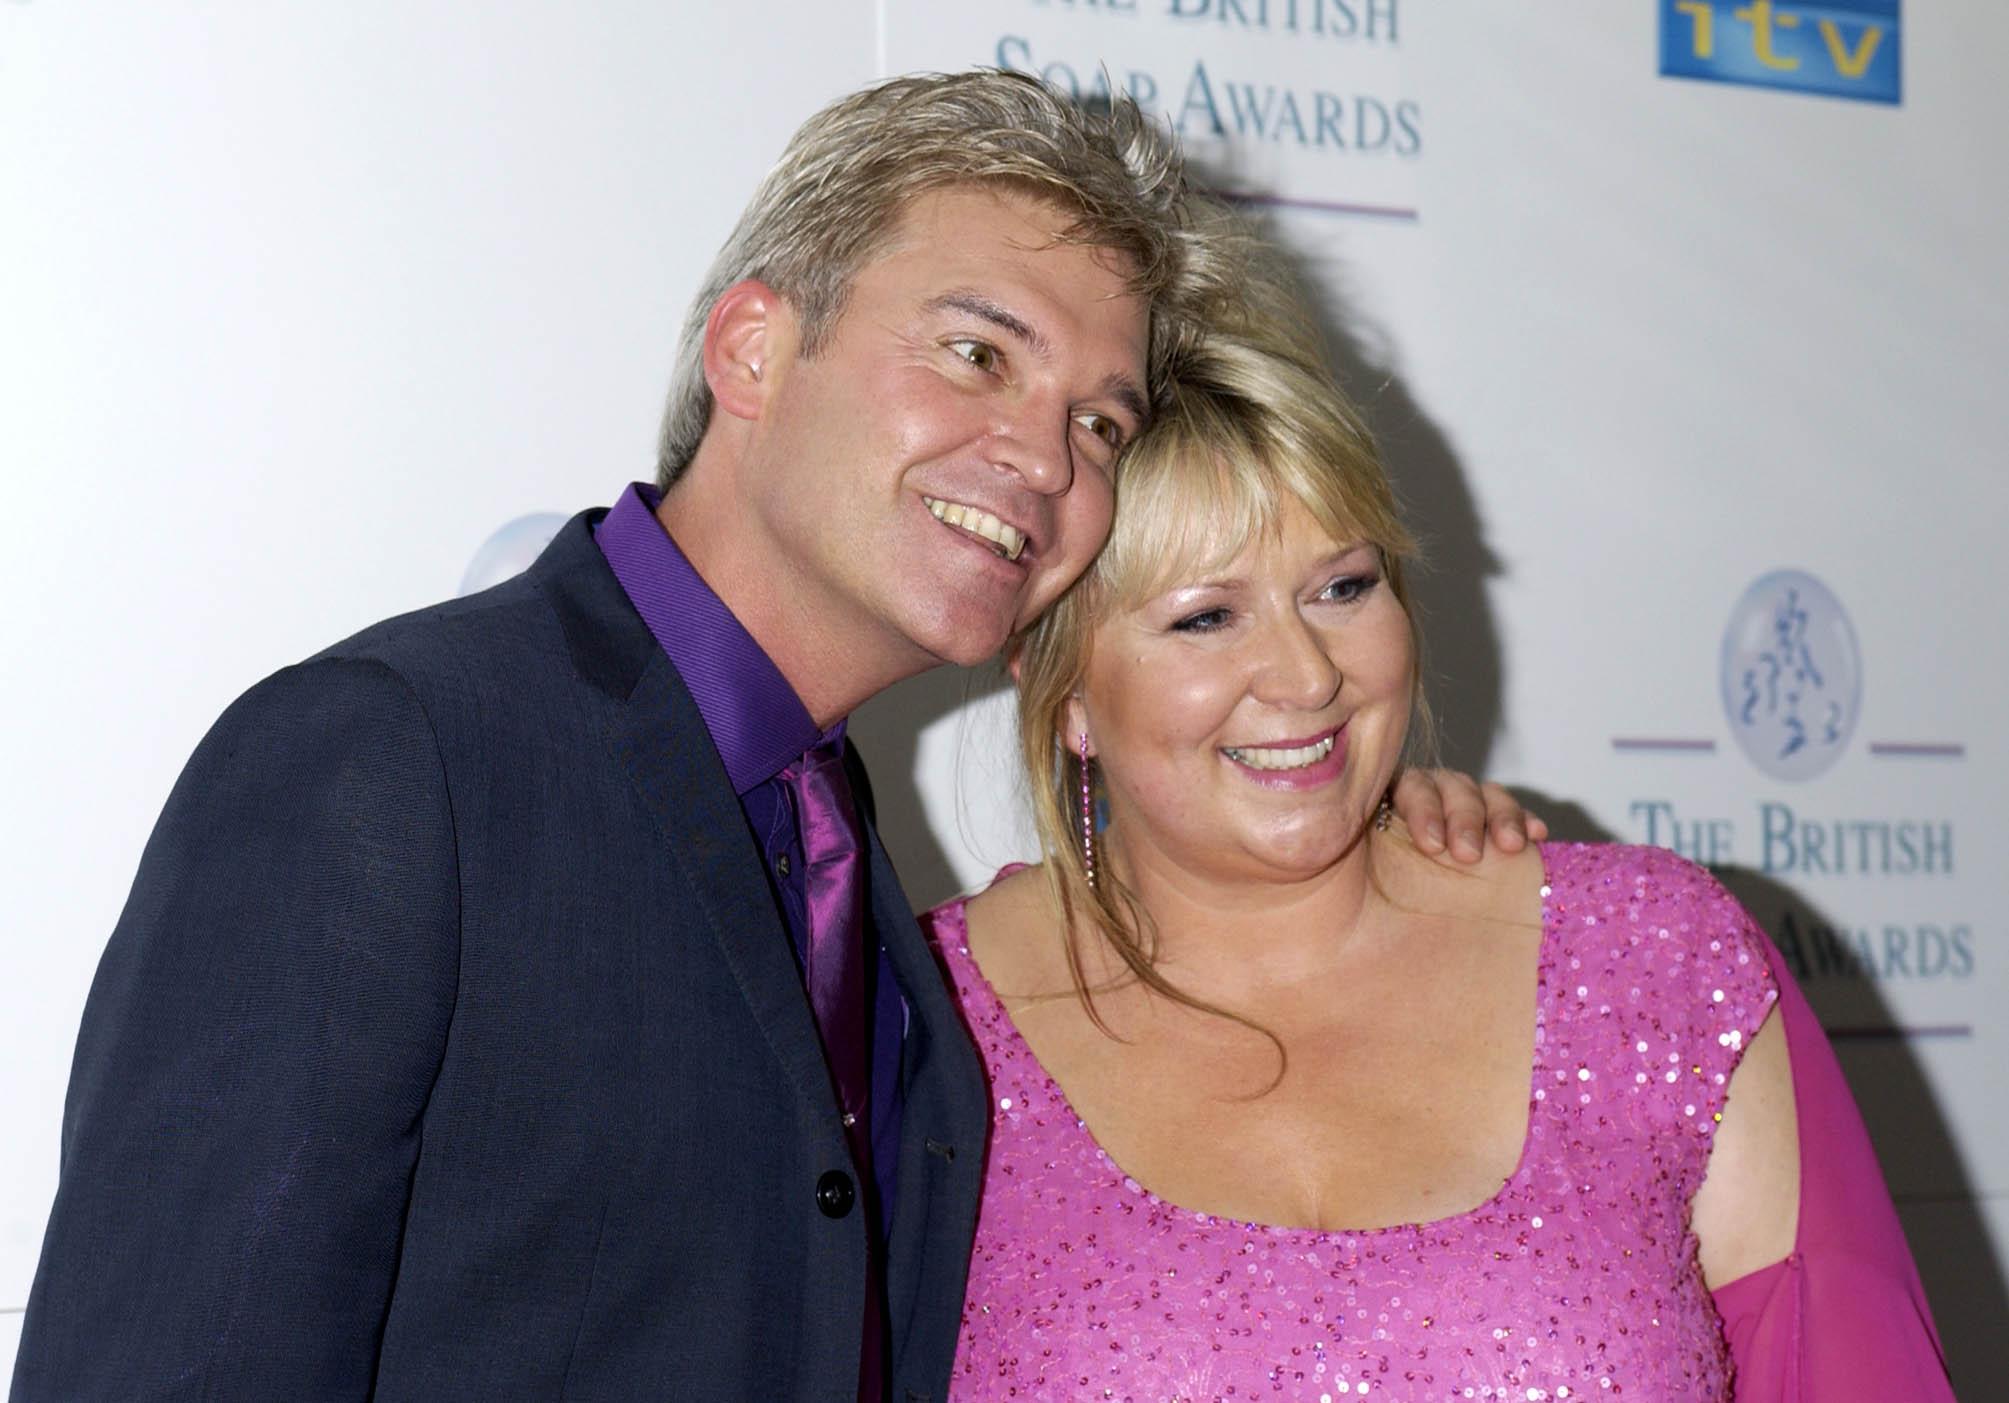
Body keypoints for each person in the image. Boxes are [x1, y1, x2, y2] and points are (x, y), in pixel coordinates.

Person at [10, 73, 1535, 1403]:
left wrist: (1371, 845)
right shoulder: (391, 765)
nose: (1041, 454)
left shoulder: (859, 888)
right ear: (749, 349)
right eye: (977, 353)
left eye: (1100, 423)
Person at [925, 317, 1955, 1400]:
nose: (1306, 675)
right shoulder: (913, 1024)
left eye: (1342, 587)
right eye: (1206, 617)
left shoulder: (1655, 965)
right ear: (1063, 685)